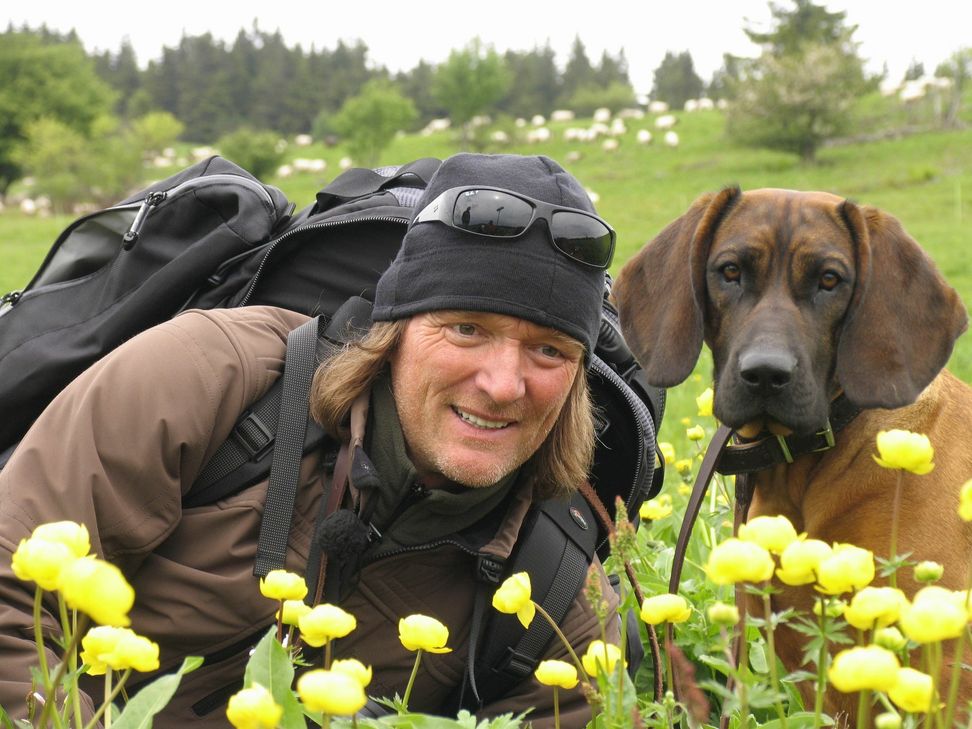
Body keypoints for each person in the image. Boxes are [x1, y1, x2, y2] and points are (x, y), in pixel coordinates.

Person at [0, 153, 622, 727]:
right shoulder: (213, 377)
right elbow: (8, 588)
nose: (504, 385)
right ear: (394, 328)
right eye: (466, 328)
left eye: (550, 350)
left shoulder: (557, 592)